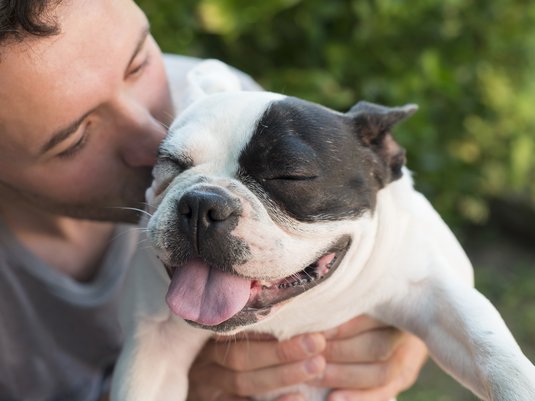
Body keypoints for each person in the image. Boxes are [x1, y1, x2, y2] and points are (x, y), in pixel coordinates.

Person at [0, 1, 428, 400]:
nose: (156, 138)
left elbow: (407, 259)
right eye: (76, 139)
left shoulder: (222, 102)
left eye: (139, 63)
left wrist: (405, 336)